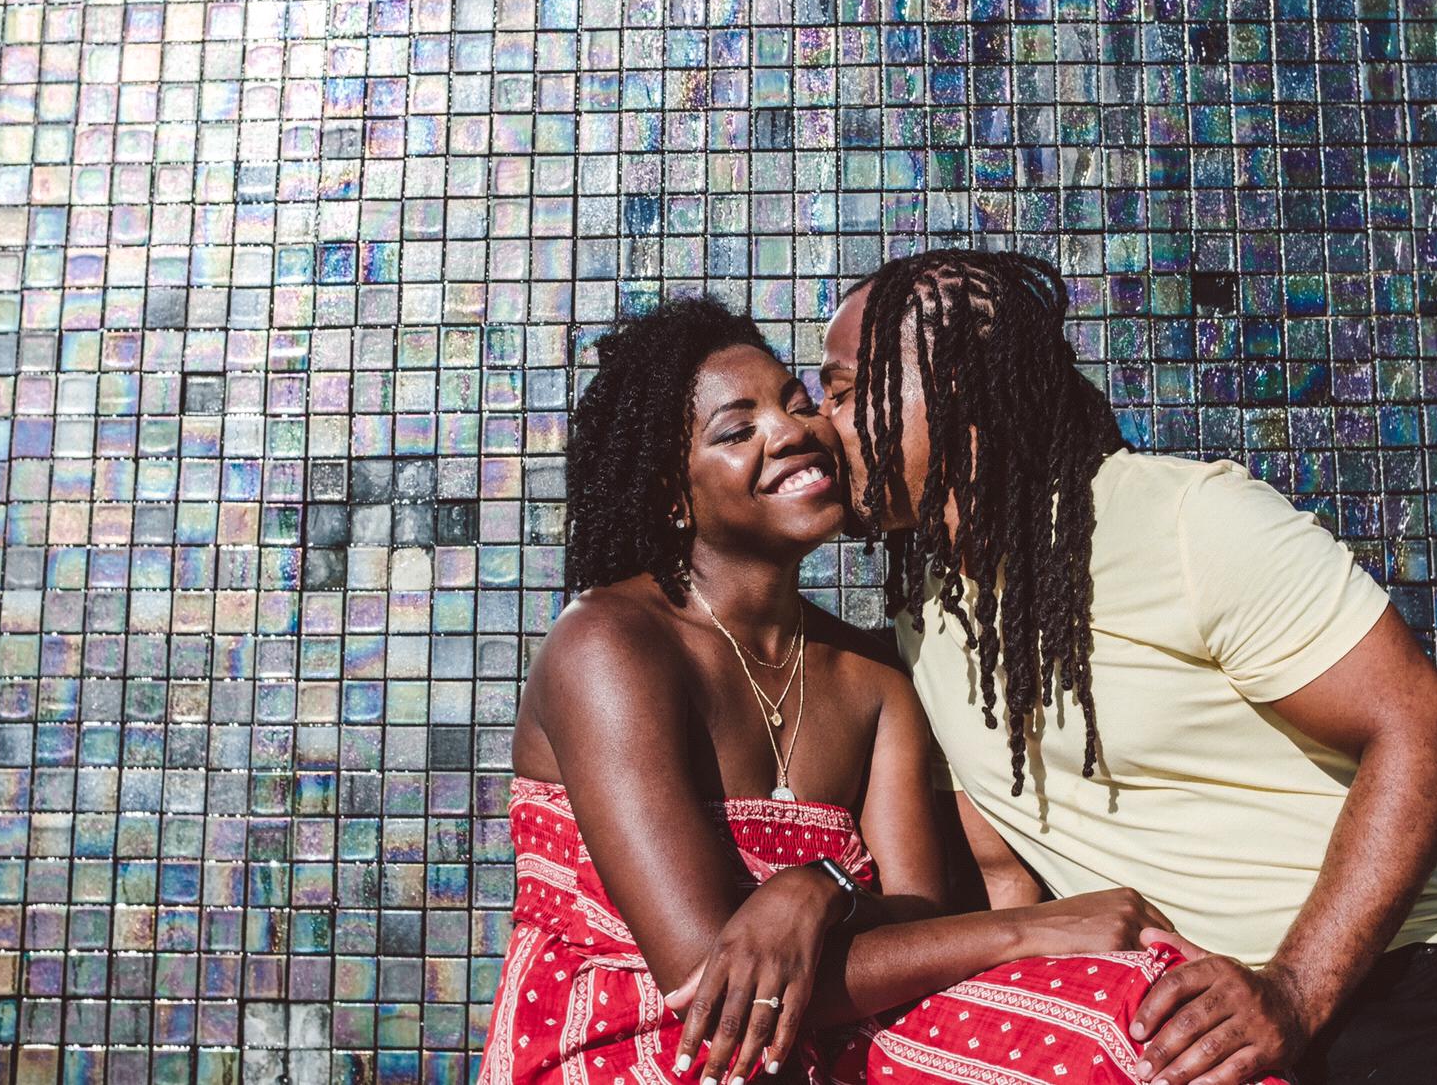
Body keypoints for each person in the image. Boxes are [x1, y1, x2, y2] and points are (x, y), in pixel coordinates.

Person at [816, 250, 1437, 1085]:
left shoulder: (1185, 518)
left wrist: (1294, 991)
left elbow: (1426, 733)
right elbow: (1006, 879)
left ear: (957, 389)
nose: (820, 425)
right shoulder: (926, 623)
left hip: (1413, 982)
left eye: (842, 392)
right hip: (1198, 1037)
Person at [477, 297, 1287, 1085]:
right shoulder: (610, 644)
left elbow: (919, 917)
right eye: (738, 429)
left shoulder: (871, 676)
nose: (793, 431)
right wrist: (1030, 930)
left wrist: (818, 888)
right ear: (669, 493)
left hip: (833, 1033)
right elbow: (713, 983)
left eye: (799, 403)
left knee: (1142, 1010)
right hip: (637, 1042)